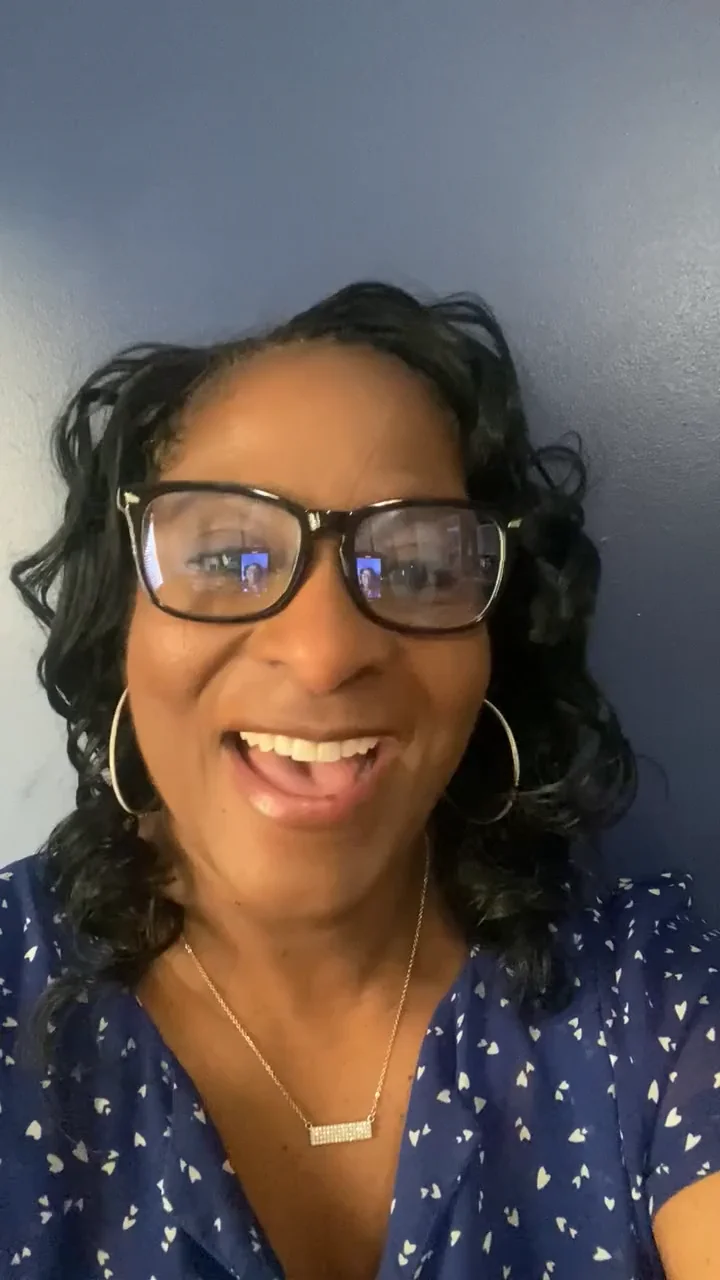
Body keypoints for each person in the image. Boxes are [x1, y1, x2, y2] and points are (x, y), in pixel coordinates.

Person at [2, 282, 718, 1280]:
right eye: (229, 556)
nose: (325, 653)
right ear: (121, 617)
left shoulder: (642, 990)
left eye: (417, 567)